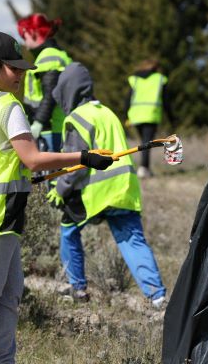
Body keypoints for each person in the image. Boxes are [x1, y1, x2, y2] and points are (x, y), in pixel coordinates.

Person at [0, 31, 114, 363]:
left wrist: (17, 178)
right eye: (12, 67)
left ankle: (2, 358)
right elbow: (31, 157)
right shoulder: (7, 105)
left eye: (21, 67)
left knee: (9, 289)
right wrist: (83, 157)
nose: (20, 74)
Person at [46, 62, 167, 306]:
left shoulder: (77, 119)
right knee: (133, 241)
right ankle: (158, 297)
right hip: (124, 188)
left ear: (68, 91)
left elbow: (76, 164)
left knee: (68, 230)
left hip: (96, 191)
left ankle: (77, 287)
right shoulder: (107, 112)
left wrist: (60, 189)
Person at [17, 13, 73, 152]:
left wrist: (38, 123)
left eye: (25, 36)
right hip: (53, 127)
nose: (24, 42)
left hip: (52, 129)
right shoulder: (53, 54)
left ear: (33, 33)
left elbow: (50, 94)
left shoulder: (49, 56)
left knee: (54, 173)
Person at [125, 58, 175, 178]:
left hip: (135, 115)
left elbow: (127, 99)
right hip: (151, 115)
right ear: (156, 68)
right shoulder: (159, 79)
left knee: (143, 142)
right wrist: (171, 118)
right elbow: (166, 101)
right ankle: (144, 168)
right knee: (146, 142)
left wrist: (126, 115)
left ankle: (143, 168)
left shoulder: (135, 79)